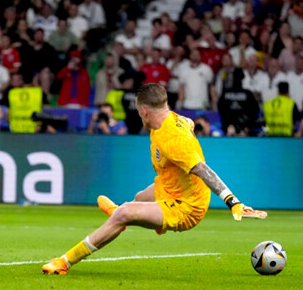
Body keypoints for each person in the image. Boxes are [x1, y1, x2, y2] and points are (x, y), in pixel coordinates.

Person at [43, 83, 260, 275]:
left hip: (187, 205)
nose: (139, 116)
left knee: (126, 213)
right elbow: (190, 123)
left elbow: (203, 170)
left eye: (138, 112)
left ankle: (65, 261)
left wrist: (233, 202)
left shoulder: (173, 139)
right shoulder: (175, 120)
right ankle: (120, 214)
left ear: (145, 111)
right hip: (170, 186)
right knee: (139, 198)